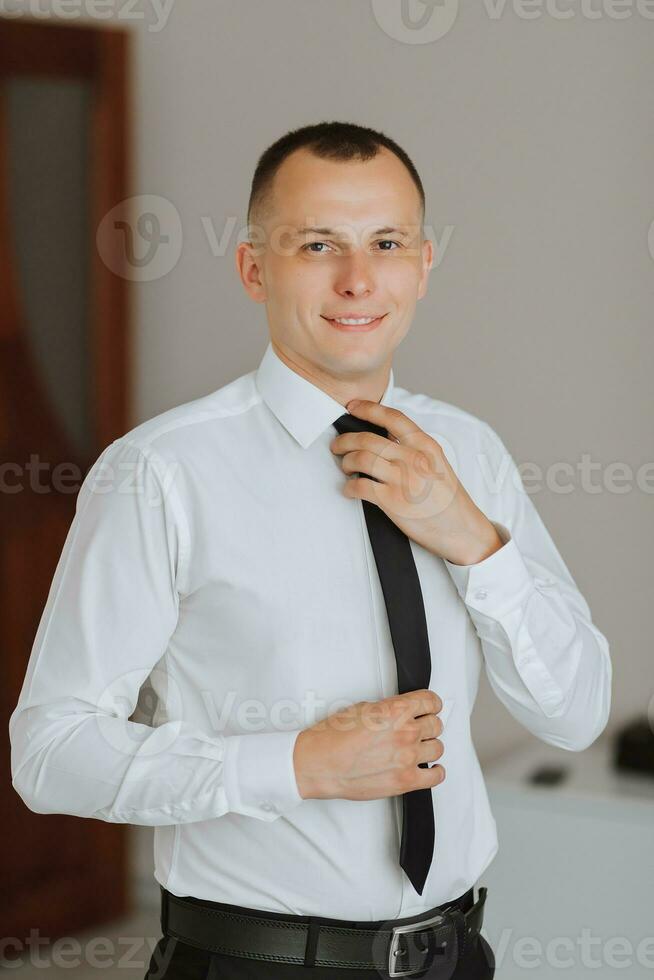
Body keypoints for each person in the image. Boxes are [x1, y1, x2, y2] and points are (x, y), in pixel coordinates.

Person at [9, 121, 612, 980]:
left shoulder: (469, 453)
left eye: (387, 243)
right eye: (318, 243)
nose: (358, 279)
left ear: (424, 265)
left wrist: (471, 539)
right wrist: (291, 764)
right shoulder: (159, 473)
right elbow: (47, 753)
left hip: (457, 958)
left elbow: (578, 711)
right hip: (253, 963)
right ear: (256, 268)